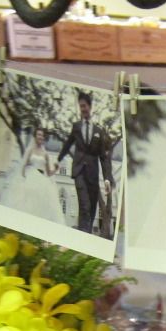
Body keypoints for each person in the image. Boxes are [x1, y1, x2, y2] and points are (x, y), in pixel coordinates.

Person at [58, 91, 115, 235]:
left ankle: (85, 235)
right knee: (85, 205)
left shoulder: (98, 131)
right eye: (80, 106)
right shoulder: (76, 127)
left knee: (92, 209)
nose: (82, 109)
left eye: (84, 106)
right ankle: (83, 235)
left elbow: (103, 157)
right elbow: (67, 145)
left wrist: (107, 178)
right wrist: (57, 160)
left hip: (93, 175)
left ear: (90, 106)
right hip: (79, 172)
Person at [0, 126, 66, 225]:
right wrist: (23, 178)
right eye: (38, 135)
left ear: (44, 137)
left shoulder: (45, 154)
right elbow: (23, 166)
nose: (40, 137)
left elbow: (49, 173)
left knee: (41, 204)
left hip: (41, 179)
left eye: (42, 135)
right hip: (30, 176)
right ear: (35, 136)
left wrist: (56, 169)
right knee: (27, 202)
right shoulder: (30, 150)